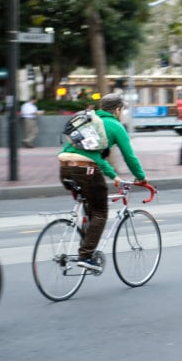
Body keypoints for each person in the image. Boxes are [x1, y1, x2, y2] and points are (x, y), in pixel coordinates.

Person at [57, 93, 148, 271]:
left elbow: (94, 156)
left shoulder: (90, 120)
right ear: (117, 110)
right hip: (86, 169)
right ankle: (86, 255)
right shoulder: (115, 125)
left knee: (90, 204)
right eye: (122, 110)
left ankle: (86, 242)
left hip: (65, 166)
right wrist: (141, 177)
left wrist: (114, 177)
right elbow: (129, 156)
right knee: (100, 212)